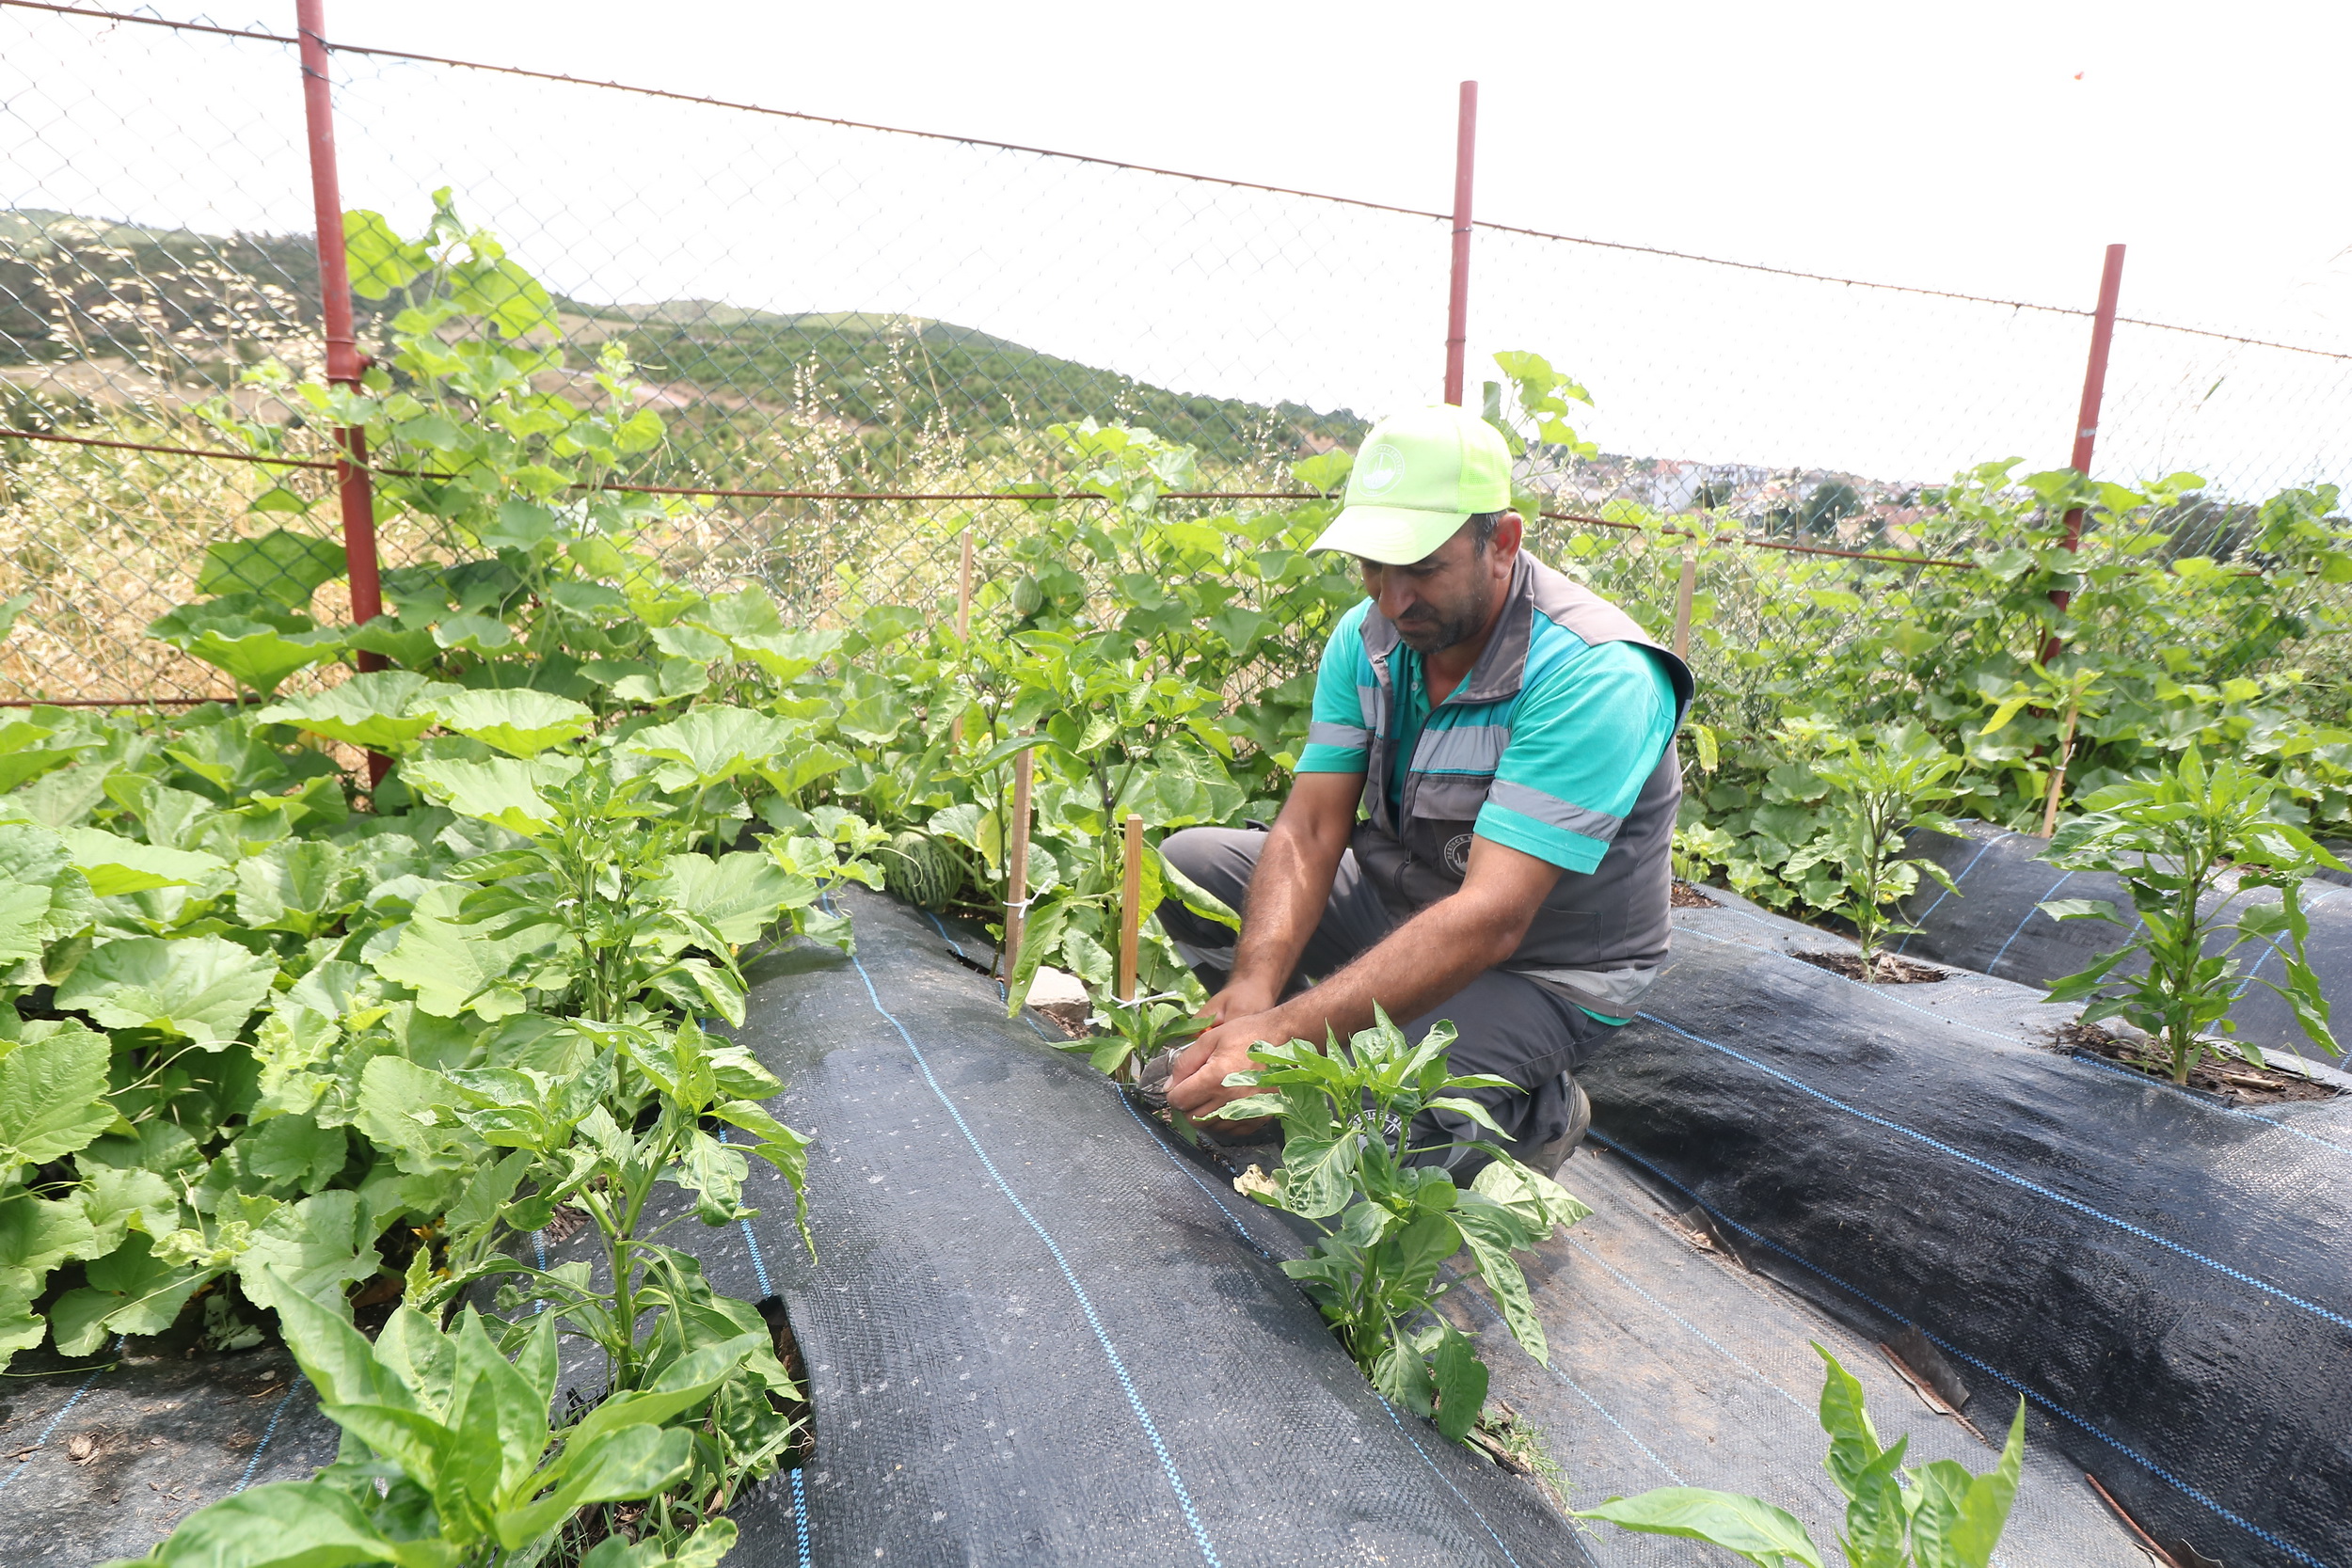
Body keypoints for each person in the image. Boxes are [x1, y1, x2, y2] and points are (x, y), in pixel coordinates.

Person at [1146, 403, 1692, 1178]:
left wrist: (1284, 1039)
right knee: (1190, 866)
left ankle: (1538, 1112)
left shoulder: (1595, 673)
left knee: (1379, 1125)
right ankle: (1315, 1048)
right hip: (1405, 903)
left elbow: (1492, 918)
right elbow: (1307, 829)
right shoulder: (1369, 639)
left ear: (1501, 542)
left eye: (1423, 569)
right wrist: (1255, 990)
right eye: (1372, 566)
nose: (1392, 598)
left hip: (1542, 962)